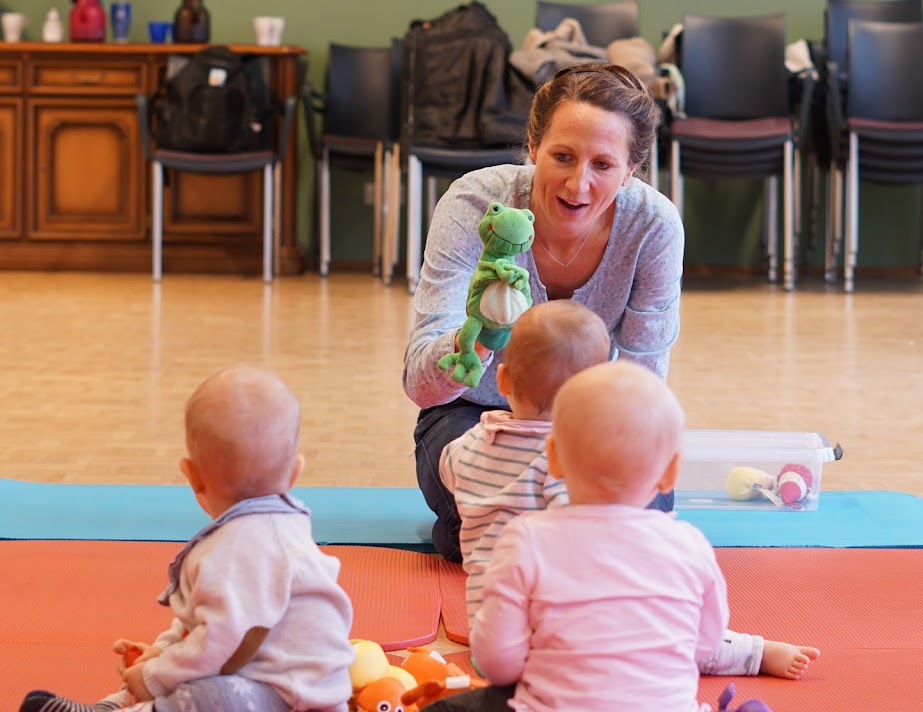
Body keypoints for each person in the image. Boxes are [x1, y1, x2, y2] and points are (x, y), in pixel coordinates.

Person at [443, 301, 818, 682]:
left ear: (504, 381)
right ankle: (753, 652)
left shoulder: (470, 444)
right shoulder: (569, 460)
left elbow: (450, 471)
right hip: (568, 633)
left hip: (489, 635)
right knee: (659, 627)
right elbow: (586, 539)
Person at [403, 62, 684, 561]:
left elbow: (643, 386)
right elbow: (420, 386)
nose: (578, 185)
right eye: (562, 156)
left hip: (589, 422)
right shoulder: (475, 205)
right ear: (532, 147)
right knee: (594, 534)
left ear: (632, 169)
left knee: (648, 505)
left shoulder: (653, 227)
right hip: (477, 416)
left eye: (603, 165)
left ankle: (514, 538)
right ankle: (570, 542)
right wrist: (475, 338)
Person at [432, 360, 772, 711]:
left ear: (554, 459)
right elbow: (706, 643)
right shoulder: (690, 545)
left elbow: (496, 662)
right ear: (671, 472)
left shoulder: (525, 539)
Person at [21, 366, 356, 712]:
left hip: (293, 701)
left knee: (210, 696)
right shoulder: (270, 529)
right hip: (259, 679)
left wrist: (155, 675)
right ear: (296, 472)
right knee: (193, 683)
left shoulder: (247, 547)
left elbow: (226, 643)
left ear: (192, 477)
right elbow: (203, 623)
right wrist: (162, 654)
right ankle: (111, 706)